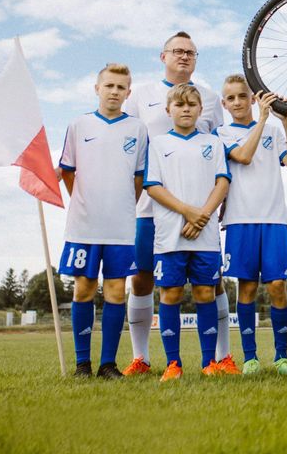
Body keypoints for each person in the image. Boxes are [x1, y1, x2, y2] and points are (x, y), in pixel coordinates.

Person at [123, 31, 236, 376]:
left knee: (210, 284)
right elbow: (128, 144)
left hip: (204, 215)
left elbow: (219, 149)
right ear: (163, 56)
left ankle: (219, 358)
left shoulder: (212, 98)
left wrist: (208, 212)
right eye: (177, 51)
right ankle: (141, 357)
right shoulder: (141, 94)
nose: (184, 56)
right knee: (144, 280)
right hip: (152, 212)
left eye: (191, 52)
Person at [58, 64, 149, 379]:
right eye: (109, 85)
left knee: (115, 290)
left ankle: (107, 364)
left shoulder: (137, 129)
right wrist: (84, 202)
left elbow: (138, 179)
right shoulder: (78, 125)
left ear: (128, 93)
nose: (114, 91)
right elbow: (67, 171)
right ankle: (83, 364)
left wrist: (121, 205)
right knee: (83, 288)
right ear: (97, 88)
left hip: (121, 226)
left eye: (121, 87)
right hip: (83, 224)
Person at [143, 84, 232, 381]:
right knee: (170, 293)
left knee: (206, 292)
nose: (185, 109)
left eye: (192, 104)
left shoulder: (213, 142)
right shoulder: (157, 144)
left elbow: (222, 182)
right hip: (170, 234)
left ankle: (209, 362)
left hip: (204, 234)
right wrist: (187, 211)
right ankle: (173, 364)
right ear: (168, 110)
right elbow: (153, 186)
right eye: (179, 104)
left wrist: (201, 216)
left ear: (200, 109)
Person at [217, 76, 287, 375]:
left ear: (252, 98)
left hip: (275, 219)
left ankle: (282, 356)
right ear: (224, 103)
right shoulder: (222, 133)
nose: (238, 102)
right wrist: (263, 119)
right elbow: (243, 156)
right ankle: (250, 358)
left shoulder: (273, 130)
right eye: (232, 98)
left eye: (243, 96)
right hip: (240, 220)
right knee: (247, 288)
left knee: (278, 286)